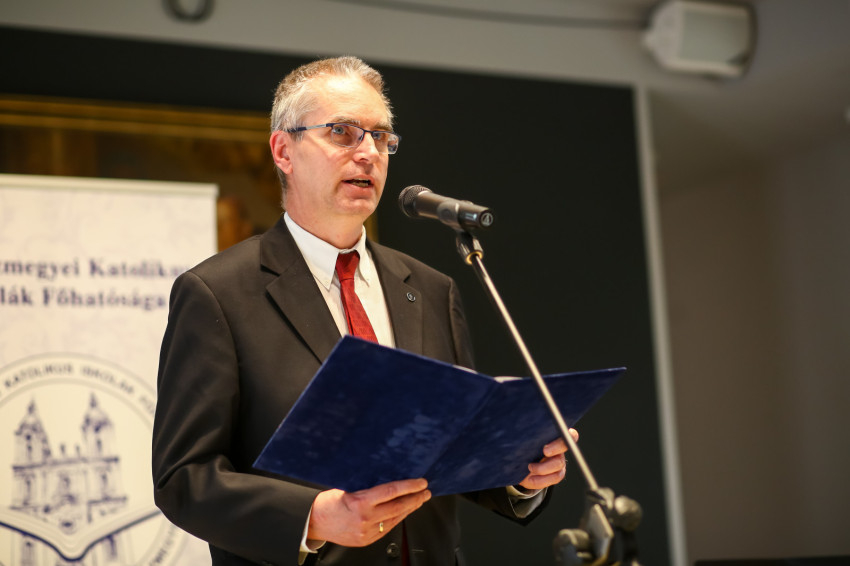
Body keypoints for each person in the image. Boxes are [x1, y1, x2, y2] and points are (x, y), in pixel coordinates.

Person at [152, 56, 576, 566]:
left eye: (381, 137)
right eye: (342, 132)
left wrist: (521, 471)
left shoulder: (431, 289)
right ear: (283, 151)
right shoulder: (217, 293)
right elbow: (184, 478)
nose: (368, 153)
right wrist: (312, 517)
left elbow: (451, 454)